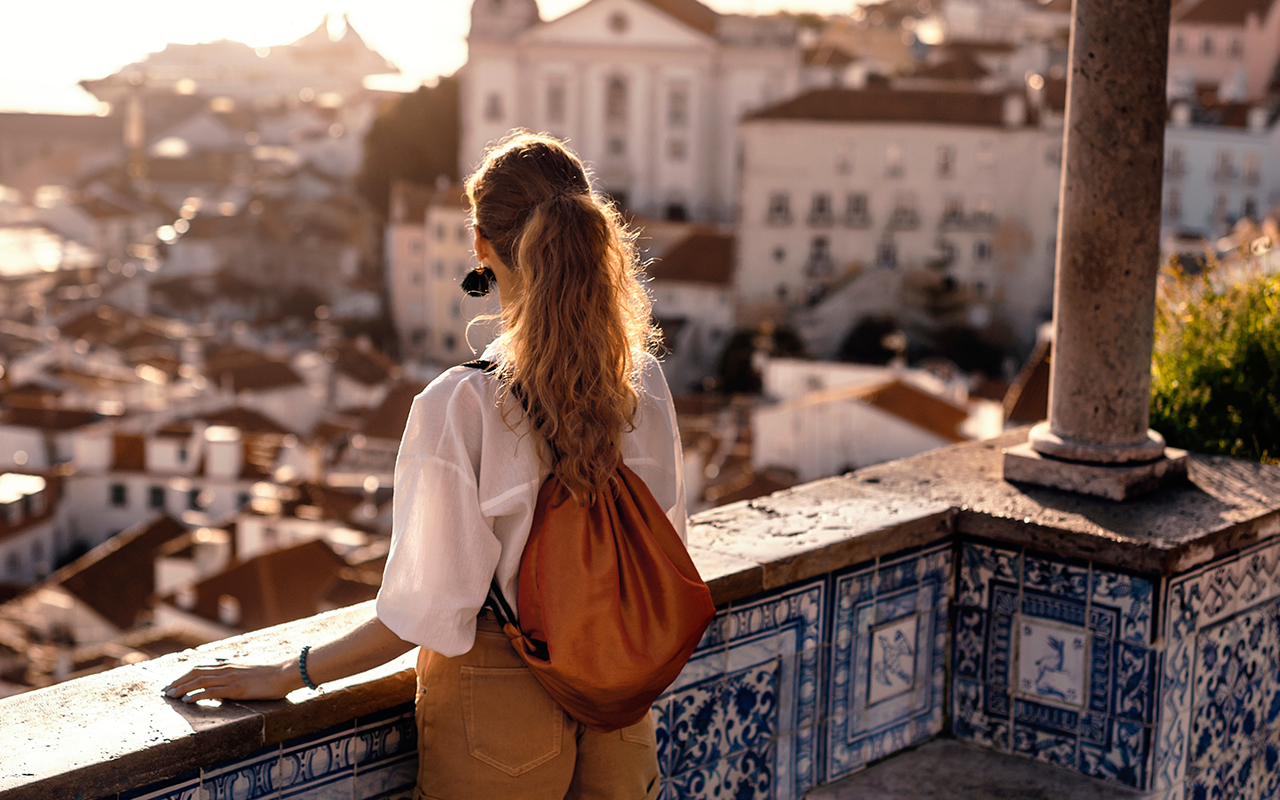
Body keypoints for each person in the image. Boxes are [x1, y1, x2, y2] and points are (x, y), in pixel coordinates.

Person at [162, 132, 686, 800]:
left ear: (480, 245)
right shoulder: (642, 382)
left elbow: (428, 612)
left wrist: (290, 673)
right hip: (620, 699)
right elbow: (665, 540)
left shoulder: (460, 404)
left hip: (501, 708)